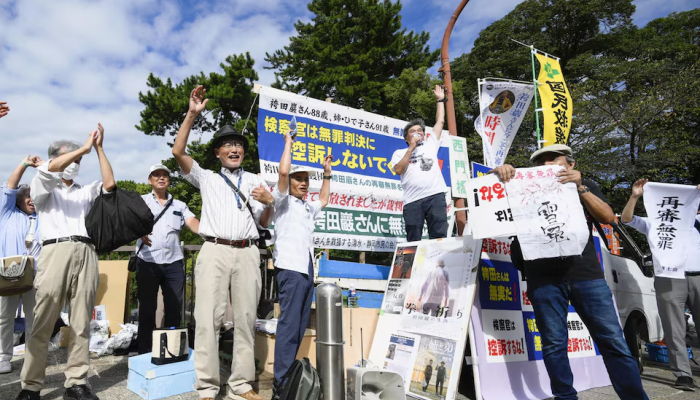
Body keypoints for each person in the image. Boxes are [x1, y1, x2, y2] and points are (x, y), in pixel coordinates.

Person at [492, 144, 648, 400]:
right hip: (542, 279)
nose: (546, 165)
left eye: (554, 160)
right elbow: (487, 204)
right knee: (554, 345)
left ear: (571, 165)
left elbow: (608, 217)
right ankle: (565, 397)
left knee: (613, 342)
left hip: (586, 276)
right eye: (540, 162)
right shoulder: (520, 187)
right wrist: (500, 175)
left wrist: (581, 187)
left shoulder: (582, 185)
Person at [172, 86, 274, 400]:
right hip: (213, 249)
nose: (234, 149)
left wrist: (270, 203)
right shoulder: (207, 178)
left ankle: (241, 385)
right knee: (207, 320)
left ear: (243, 151)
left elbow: (264, 222)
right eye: (227, 145)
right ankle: (206, 386)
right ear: (217, 152)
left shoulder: (257, 180)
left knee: (245, 320)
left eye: (238, 145)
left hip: (247, 251)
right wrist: (192, 114)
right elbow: (178, 152)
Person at [17, 124, 115, 400]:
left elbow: (109, 185)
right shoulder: (42, 185)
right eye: (72, 158)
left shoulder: (86, 191)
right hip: (55, 250)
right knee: (43, 320)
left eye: (79, 160)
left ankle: (76, 382)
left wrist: (98, 149)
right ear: (57, 159)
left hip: (85, 250)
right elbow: (50, 169)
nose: (76, 163)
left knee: (81, 321)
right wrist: (81, 148)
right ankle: (31, 386)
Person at [621, 179, 700, 391]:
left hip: (699, 276)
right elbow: (626, 219)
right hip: (669, 278)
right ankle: (683, 374)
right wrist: (635, 196)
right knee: (674, 328)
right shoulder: (656, 222)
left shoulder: (697, 219)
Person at [271, 129, 332, 395]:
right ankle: (281, 382)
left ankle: (290, 379)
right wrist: (288, 143)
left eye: (307, 179)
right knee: (288, 324)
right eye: (299, 179)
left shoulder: (307, 207)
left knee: (299, 324)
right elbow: (282, 175)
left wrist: (327, 173)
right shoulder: (282, 201)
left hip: (307, 270)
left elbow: (324, 200)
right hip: (290, 268)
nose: (304, 183)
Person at [134, 164, 200, 355]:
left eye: (165, 175)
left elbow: (192, 222)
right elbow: (127, 221)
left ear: (169, 180)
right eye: (157, 175)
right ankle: (145, 352)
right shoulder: (141, 201)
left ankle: (172, 350)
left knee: (174, 308)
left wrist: (209, 233)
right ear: (150, 180)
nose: (161, 178)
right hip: (147, 261)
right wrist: (138, 231)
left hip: (173, 263)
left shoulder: (180, 205)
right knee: (147, 309)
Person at [0, 155, 43, 374]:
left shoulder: (43, 216)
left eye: (34, 196)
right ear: (18, 200)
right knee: (4, 318)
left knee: (34, 319)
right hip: (7, 273)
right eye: (27, 196)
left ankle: (32, 357)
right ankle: (3, 357)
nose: (32, 199)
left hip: (36, 275)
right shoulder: (6, 213)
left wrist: (46, 168)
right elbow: (10, 187)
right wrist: (25, 164)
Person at [390, 86, 448, 242]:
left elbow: (440, 122)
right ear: (406, 138)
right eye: (413, 131)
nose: (418, 132)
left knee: (439, 236)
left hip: (435, 196)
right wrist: (411, 148)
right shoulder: (399, 153)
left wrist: (440, 100)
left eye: (420, 131)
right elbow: (399, 170)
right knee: (413, 239)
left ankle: (439, 265)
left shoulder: (430, 144)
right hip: (413, 200)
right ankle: (414, 265)